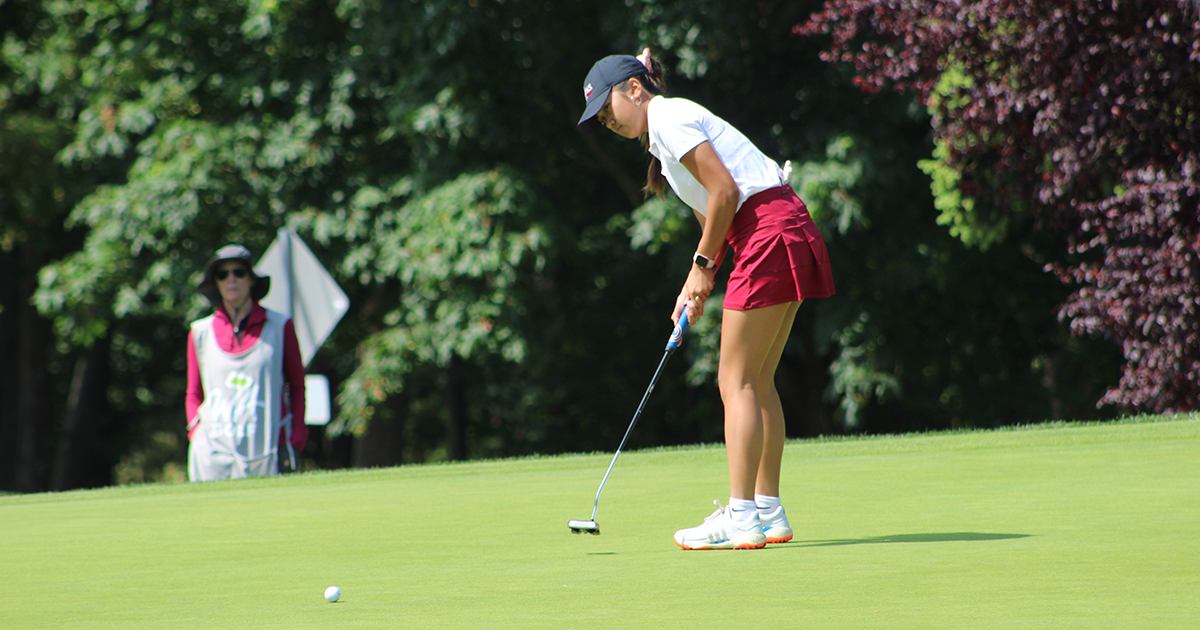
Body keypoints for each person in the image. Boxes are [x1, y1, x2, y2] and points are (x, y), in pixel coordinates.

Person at [577, 49, 835, 549]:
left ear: (635, 88)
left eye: (607, 108)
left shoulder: (668, 115)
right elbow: (710, 214)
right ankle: (767, 510)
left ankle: (742, 517)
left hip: (767, 230)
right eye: (599, 120)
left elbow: (725, 193)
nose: (607, 121)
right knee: (757, 381)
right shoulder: (664, 139)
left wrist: (702, 267)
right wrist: (698, 281)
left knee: (734, 380)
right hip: (782, 229)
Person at [186, 244, 307, 481]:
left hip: (270, 450)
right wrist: (195, 430)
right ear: (216, 283)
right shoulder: (200, 332)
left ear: (252, 279)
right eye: (223, 274)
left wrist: (297, 437)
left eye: (239, 272)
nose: (232, 279)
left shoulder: (280, 326)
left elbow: (297, 386)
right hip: (213, 455)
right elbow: (193, 393)